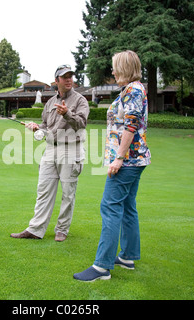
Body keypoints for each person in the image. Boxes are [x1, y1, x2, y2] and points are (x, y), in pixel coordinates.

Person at [74, 50, 151, 281]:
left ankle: (101, 267)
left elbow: (130, 126)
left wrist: (119, 158)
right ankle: (127, 257)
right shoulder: (131, 90)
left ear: (125, 68)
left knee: (110, 206)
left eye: (115, 67)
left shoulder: (133, 90)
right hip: (133, 160)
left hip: (128, 161)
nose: (113, 71)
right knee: (127, 206)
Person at [11, 65, 89, 242]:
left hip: (71, 149)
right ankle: (35, 229)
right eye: (65, 77)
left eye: (71, 76)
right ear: (57, 81)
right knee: (43, 190)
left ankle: (62, 229)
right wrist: (36, 127)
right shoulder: (49, 103)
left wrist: (67, 113)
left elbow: (81, 123)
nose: (69, 79)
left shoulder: (80, 101)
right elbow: (46, 126)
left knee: (68, 193)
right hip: (50, 149)